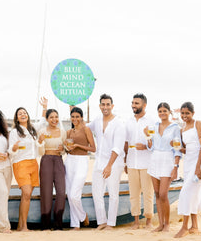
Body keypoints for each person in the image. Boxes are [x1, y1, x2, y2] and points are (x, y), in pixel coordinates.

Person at [88, 94, 125, 230]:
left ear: (112, 106)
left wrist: (109, 166)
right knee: (96, 193)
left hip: (113, 163)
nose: (105, 107)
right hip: (99, 161)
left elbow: (118, 147)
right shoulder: (97, 120)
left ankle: (111, 223)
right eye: (103, 104)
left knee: (113, 194)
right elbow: (86, 127)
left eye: (108, 104)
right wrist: (73, 109)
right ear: (99, 106)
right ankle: (102, 221)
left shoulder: (118, 123)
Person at [174, 102, 201, 238]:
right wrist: (177, 147)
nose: (184, 116)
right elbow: (187, 149)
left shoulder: (198, 124)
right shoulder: (182, 128)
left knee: (185, 193)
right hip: (188, 164)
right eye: (182, 113)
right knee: (192, 194)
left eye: (187, 113)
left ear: (193, 113)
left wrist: (198, 167)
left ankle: (184, 227)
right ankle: (194, 226)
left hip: (198, 164)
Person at [146, 102, 181, 232]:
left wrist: (176, 166)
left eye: (164, 111)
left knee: (163, 193)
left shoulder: (175, 127)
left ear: (169, 112)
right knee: (156, 193)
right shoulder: (154, 126)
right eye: (160, 111)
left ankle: (167, 224)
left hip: (167, 159)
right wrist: (148, 139)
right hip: (155, 158)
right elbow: (151, 146)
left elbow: (177, 148)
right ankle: (160, 224)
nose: (162, 113)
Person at [36, 108, 71, 230]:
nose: (54, 119)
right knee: (46, 192)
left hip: (58, 161)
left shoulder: (62, 132)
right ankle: (45, 224)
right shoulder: (42, 131)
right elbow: (40, 151)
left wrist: (62, 149)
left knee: (61, 192)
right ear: (47, 119)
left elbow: (65, 150)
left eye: (56, 117)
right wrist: (40, 142)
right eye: (51, 117)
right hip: (46, 160)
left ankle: (58, 223)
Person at [124, 93, 155, 229]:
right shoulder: (128, 122)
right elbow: (126, 143)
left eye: (136, 103)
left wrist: (146, 146)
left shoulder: (151, 121)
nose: (133, 105)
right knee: (134, 194)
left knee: (148, 193)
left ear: (144, 105)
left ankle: (148, 221)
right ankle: (136, 221)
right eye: (132, 103)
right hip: (131, 162)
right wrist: (125, 161)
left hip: (147, 163)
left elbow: (155, 143)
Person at [8, 107, 41, 231]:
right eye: (20, 113)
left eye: (24, 113)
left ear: (28, 115)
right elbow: (10, 150)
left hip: (33, 163)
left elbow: (42, 122)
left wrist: (43, 108)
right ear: (17, 118)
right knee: (26, 193)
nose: (23, 115)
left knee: (27, 196)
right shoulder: (14, 132)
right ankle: (24, 226)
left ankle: (21, 225)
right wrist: (14, 148)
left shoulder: (32, 130)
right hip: (20, 163)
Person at [64, 107, 95, 230]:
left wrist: (77, 145)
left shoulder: (86, 129)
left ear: (81, 117)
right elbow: (66, 149)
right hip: (70, 161)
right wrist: (67, 148)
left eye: (77, 117)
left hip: (82, 161)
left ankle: (83, 216)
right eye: (73, 117)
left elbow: (93, 148)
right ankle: (75, 224)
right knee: (69, 194)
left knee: (74, 195)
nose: (75, 119)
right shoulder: (69, 132)